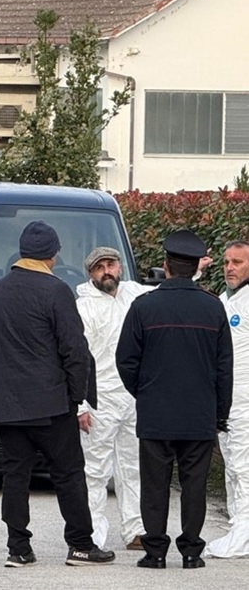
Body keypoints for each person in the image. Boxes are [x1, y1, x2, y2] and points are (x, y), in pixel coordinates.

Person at [0, 220, 115, 568]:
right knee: (68, 473)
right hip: (51, 404)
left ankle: (18, 548)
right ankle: (81, 545)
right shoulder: (56, 291)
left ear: (22, 252)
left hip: (7, 405)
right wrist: (76, 398)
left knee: (15, 475)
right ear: (53, 254)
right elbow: (75, 350)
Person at [116, 229, 233, 570]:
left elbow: (125, 360)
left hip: (156, 413)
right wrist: (219, 413)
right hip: (199, 414)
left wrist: (145, 392)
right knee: (194, 485)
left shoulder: (144, 306)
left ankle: (155, 552)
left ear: (165, 266)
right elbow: (225, 368)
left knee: (155, 485)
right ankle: (192, 552)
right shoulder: (213, 308)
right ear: (197, 266)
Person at [76, 247, 148, 551]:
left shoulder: (134, 293)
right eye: (100, 267)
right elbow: (77, 359)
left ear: (120, 267)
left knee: (132, 466)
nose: (107, 271)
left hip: (132, 396)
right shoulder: (83, 307)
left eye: (111, 264)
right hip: (99, 398)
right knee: (95, 470)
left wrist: (195, 270)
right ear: (91, 273)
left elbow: (166, 292)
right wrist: (80, 405)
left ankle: (136, 529)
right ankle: (91, 534)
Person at [205, 240, 249, 558]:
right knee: (232, 467)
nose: (230, 268)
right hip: (226, 402)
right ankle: (239, 525)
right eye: (226, 262)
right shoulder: (224, 300)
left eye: (237, 262)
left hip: (246, 400)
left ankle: (244, 534)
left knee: (244, 468)